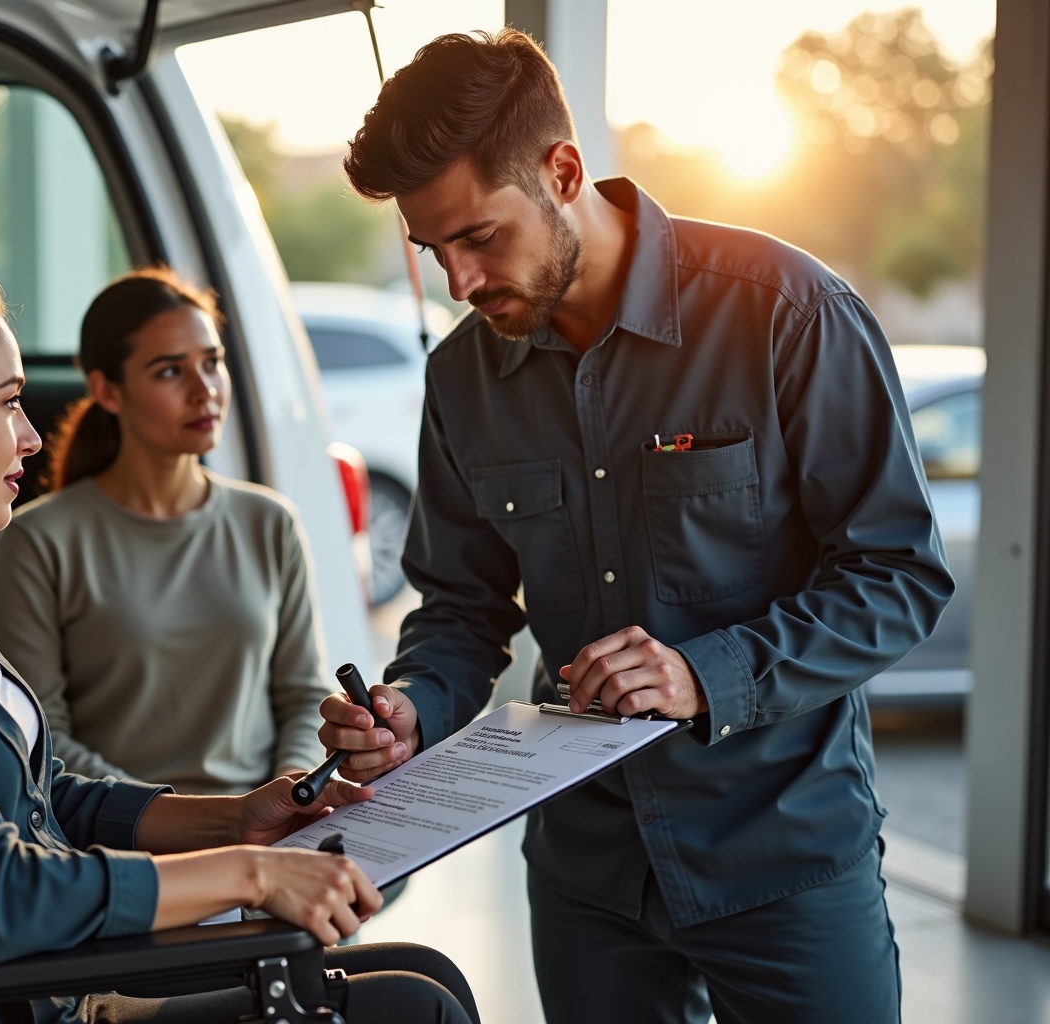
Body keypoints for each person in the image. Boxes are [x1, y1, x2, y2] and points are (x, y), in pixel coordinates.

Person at [317, 28, 954, 1024]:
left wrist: (707, 673)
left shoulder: (787, 312)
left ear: (562, 171)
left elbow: (899, 575)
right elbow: (459, 609)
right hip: (588, 878)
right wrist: (412, 709)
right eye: (433, 249)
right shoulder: (461, 379)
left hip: (783, 860)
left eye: (480, 236)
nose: (461, 282)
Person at [0, 216, 479, 1024]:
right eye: (8, 403)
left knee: (428, 978)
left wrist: (238, 819)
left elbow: (44, 799)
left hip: (56, 989)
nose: (30, 435)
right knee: (414, 1007)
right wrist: (251, 876)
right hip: (7, 1006)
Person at [0, 268, 333, 794]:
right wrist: (191, 821)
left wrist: (289, 796)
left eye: (212, 363)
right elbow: (41, 733)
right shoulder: (37, 540)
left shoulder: (270, 523)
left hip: (270, 827)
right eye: (171, 371)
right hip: (127, 837)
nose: (205, 391)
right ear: (106, 390)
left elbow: (305, 696)